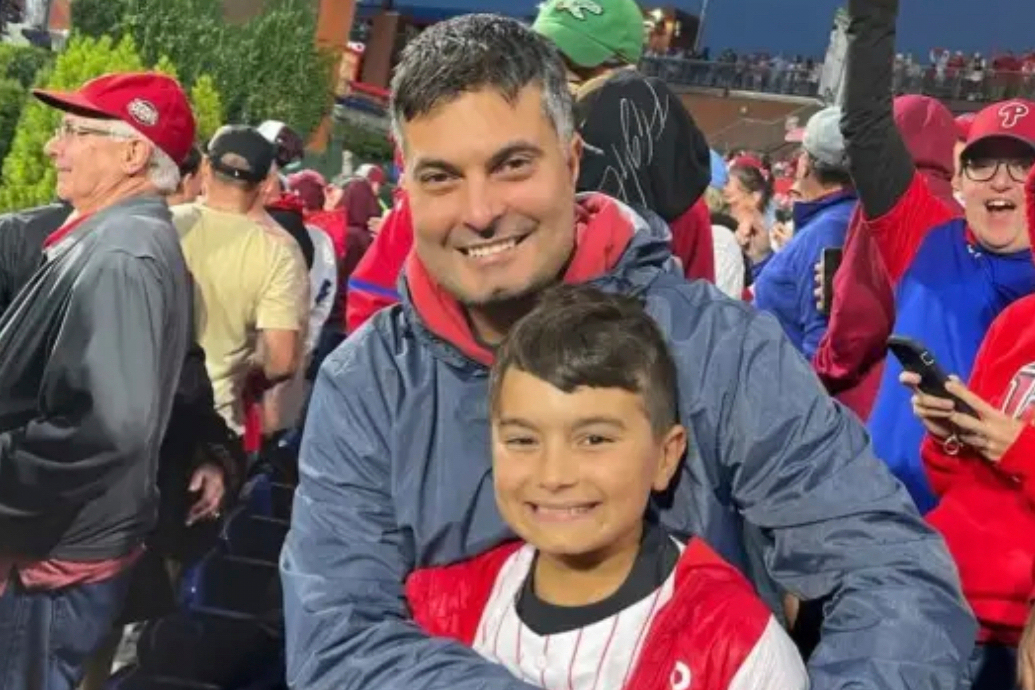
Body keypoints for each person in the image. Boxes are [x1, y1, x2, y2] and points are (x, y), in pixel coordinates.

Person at [281, 15, 974, 690]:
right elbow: (340, 638)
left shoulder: (715, 349)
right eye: (440, 178)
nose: (480, 209)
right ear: (407, 190)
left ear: (572, 160)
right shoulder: (368, 382)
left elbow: (892, 574)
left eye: (511, 164)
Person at [405, 284, 809, 690]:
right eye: (523, 440)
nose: (553, 475)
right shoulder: (437, 609)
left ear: (666, 457)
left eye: (594, 439)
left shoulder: (736, 647)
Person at [0, 71, 195, 690]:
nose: (54, 147)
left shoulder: (121, 255)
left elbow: (109, 426)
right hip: (58, 545)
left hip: (52, 556)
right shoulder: (112, 237)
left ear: (133, 153)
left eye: (73, 131)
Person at [842, 0, 1035, 513]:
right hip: (877, 517)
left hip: (992, 557)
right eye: (983, 163)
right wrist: (872, 15)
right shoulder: (926, 237)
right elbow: (865, 128)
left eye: (1022, 166)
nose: (1000, 179)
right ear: (959, 180)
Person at [901, 167, 1035, 688]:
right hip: (943, 590)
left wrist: (1020, 450)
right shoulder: (1018, 321)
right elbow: (954, 480)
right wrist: (948, 432)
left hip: (1015, 626)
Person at [532, 0, 715, 284]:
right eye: (544, 61)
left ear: (625, 71)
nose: (554, 80)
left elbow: (696, 314)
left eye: (574, 65)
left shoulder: (685, 204)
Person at [812, 95, 961, 420]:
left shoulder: (885, 203)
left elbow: (858, 318)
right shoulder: (963, 214)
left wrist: (820, 372)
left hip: (879, 394)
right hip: (944, 396)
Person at [172, 125, 309, 436]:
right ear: (263, 184)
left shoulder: (165, 225)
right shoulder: (280, 253)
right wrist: (251, 375)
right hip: (214, 423)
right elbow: (282, 361)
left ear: (206, 166)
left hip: (143, 409)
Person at [753, 107, 857, 360]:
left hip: (784, 389)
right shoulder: (835, 219)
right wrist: (762, 257)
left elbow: (820, 348)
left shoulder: (829, 230)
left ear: (806, 165)